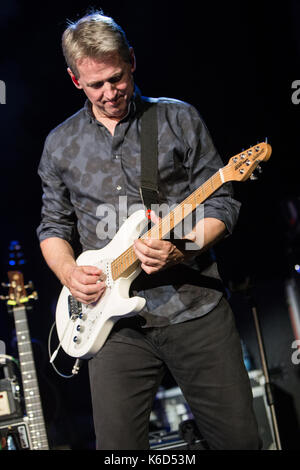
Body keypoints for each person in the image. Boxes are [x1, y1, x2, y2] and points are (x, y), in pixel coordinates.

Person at [37, 11, 260, 450]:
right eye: (95, 84)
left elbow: (223, 202)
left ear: (132, 61)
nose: (109, 93)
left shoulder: (178, 119)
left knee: (238, 441)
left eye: (116, 78)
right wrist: (68, 274)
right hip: (113, 327)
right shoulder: (59, 145)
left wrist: (185, 248)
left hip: (193, 307)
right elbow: (52, 226)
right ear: (74, 79)